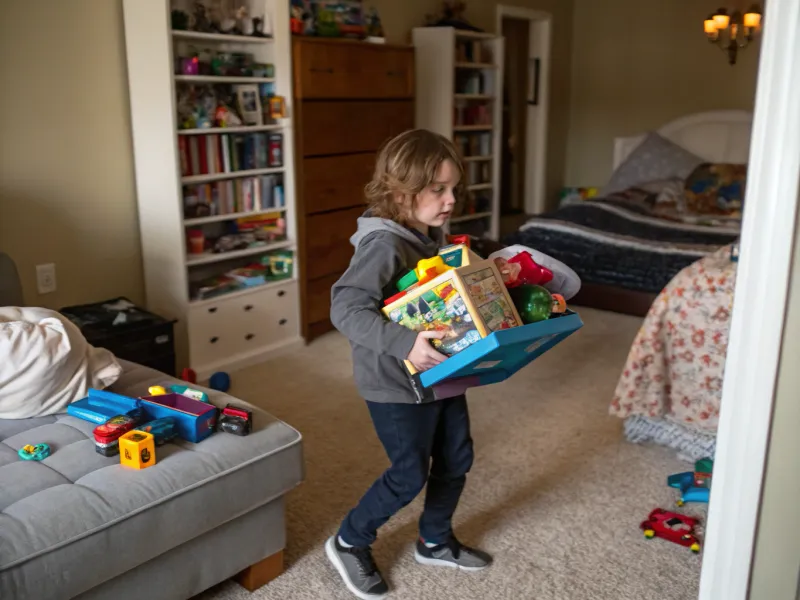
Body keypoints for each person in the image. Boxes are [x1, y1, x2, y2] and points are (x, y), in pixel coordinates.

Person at [326, 129, 492, 599]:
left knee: (457, 457)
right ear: (400, 192)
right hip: (396, 383)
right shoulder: (385, 245)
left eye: (454, 188)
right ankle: (349, 539)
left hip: (442, 374)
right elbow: (346, 308)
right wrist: (403, 343)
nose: (451, 199)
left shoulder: (425, 236)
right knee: (408, 473)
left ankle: (434, 539)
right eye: (438, 189)